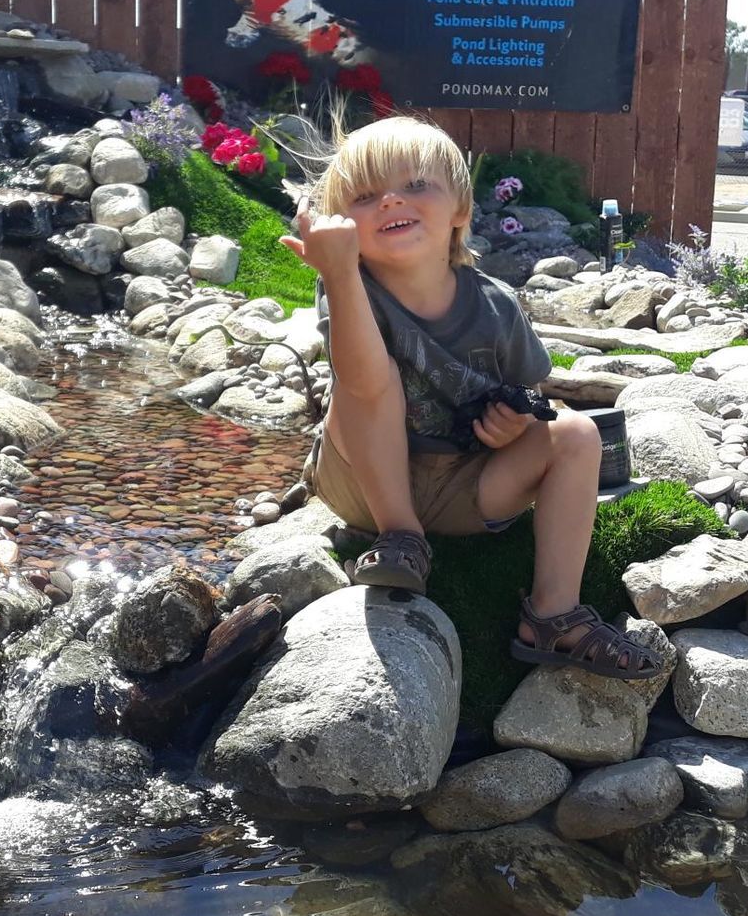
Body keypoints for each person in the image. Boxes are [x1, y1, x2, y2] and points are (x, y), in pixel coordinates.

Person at [283, 116, 661, 680]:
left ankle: (554, 616)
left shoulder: (495, 306)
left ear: (460, 209)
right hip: (364, 482)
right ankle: (401, 537)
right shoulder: (349, 286)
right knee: (369, 379)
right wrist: (337, 273)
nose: (390, 200)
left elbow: (529, 395)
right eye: (365, 196)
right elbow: (361, 381)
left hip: (468, 488)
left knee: (576, 434)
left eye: (415, 186)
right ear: (341, 224)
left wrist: (515, 426)